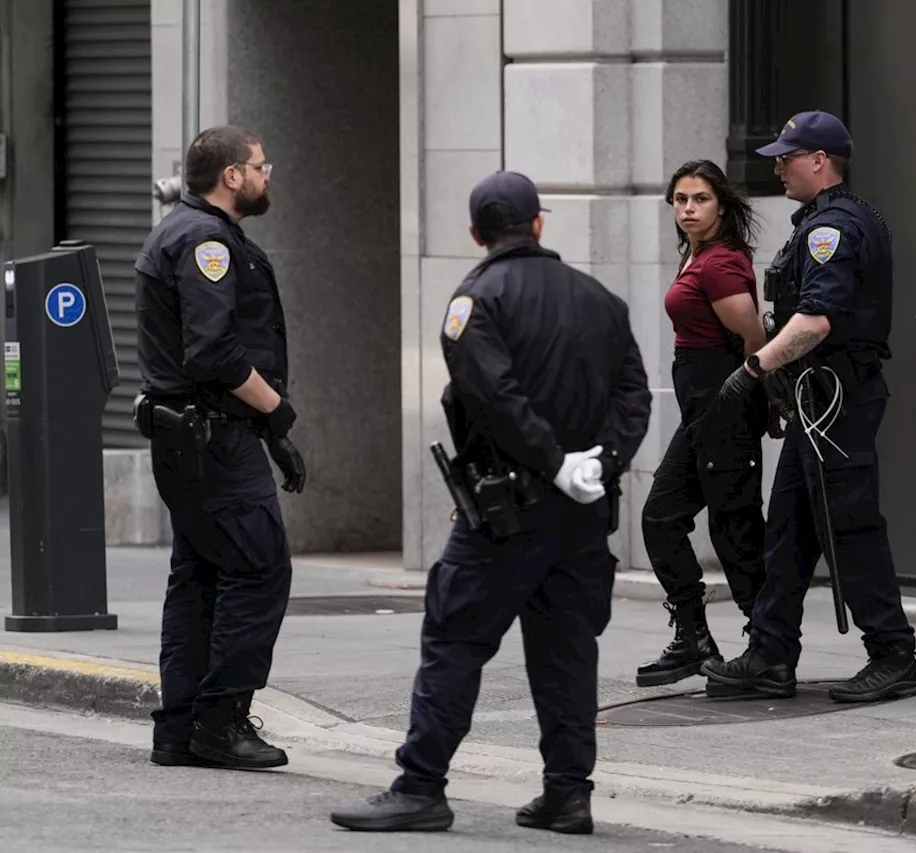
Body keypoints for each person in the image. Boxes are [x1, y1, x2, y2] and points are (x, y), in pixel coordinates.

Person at [329, 170, 652, 835]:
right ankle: (567, 793)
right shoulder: (602, 301)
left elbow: (493, 397)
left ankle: (421, 784)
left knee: (454, 639)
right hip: (584, 510)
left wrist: (554, 463)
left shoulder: (476, 301)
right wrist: (601, 463)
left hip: (508, 512)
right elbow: (636, 397)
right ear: (539, 223)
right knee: (567, 650)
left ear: (476, 233)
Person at [699, 111, 916, 704]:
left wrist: (754, 367)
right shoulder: (824, 222)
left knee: (849, 527)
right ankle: (772, 653)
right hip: (816, 399)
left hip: (835, 400)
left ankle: (894, 654)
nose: (778, 165)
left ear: (820, 160)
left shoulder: (834, 229)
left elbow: (818, 318)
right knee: (791, 530)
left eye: (788, 156)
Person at [133, 125, 305, 770]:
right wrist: (277, 412)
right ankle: (222, 721)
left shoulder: (182, 231)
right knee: (259, 571)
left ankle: (178, 728)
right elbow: (214, 353)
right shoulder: (207, 240)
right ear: (231, 176)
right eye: (261, 166)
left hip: (193, 437)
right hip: (212, 440)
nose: (268, 175)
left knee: (201, 577)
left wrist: (268, 433)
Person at [635, 159, 770, 688]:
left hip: (723, 405)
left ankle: (768, 646)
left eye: (700, 199)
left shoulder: (719, 263)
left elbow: (754, 340)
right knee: (661, 517)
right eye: (680, 200)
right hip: (700, 409)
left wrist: (750, 402)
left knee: (734, 527)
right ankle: (693, 637)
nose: (688, 209)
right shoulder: (696, 258)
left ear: (721, 205)